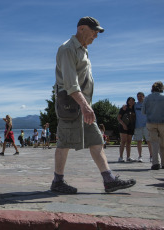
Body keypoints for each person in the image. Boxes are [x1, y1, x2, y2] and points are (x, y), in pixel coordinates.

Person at [51, 16, 136, 194]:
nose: (96, 35)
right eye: (94, 31)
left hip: (83, 104)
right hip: (70, 104)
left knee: (97, 140)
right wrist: (84, 105)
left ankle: (109, 180)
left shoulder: (83, 49)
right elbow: (70, 83)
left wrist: (86, 104)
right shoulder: (67, 49)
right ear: (82, 28)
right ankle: (57, 182)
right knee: (64, 143)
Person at [142, 81, 164, 170]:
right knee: (163, 144)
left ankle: (155, 163)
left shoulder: (147, 98)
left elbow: (143, 112)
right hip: (163, 123)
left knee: (154, 143)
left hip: (151, 123)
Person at [134, 92, 153, 162]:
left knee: (149, 141)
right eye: (138, 96)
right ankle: (140, 156)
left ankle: (151, 156)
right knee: (139, 141)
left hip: (146, 125)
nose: (139, 98)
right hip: (138, 125)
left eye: (140, 96)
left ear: (144, 97)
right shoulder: (135, 105)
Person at [117, 97, 136, 162]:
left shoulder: (134, 108)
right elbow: (119, 118)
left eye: (132, 101)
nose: (131, 102)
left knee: (129, 142)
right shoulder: (124, 108)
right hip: (123, 126)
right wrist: (123, 124)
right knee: (123, 141)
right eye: (129, 100)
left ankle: (128, 157)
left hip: (131, 127)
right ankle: (120, 157)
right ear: (127, 101)